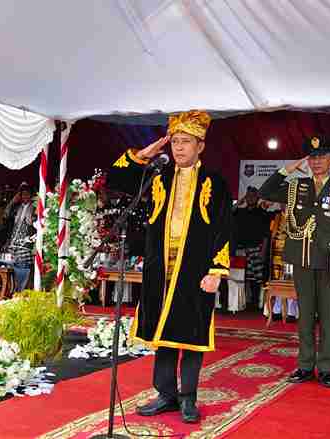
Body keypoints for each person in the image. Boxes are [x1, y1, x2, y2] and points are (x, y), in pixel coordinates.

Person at [106, 110, 232, 424]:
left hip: (195, 267)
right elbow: (116, 179)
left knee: (190, 333)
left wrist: (216, 271)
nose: (179, 147)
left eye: (185, 141)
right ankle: (166, 394)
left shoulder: (215, 182)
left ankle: (188, 397)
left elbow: (224, 227)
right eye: (175, 141)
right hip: (159, 266)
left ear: (200, 146)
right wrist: (143, 154)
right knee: (162, 332)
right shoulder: (158, 176)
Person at [259, 135, 330, 389]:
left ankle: (326, 368)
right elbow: (265, 191)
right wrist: (287, 169)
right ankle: (305, 365)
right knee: (305, 317)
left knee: (328, 316)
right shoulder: (296, 186)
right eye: (312, 157)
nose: (317, 161)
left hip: (329, 261)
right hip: (302, 258)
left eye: (322, 157)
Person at [232, 186, 273, 308]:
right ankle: (244, 302)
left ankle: (255, 303)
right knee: (243, 277)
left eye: (253, 196)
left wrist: (263, 250)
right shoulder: (240, 212)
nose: (250, 198)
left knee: (257, 278)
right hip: (242, 249)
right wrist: (239, 202)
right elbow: (229, 212)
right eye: (248, 196)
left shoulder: (262, 213)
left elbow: (266, 234)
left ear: (257, 198)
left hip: (256, 248)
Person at [267, 204, 298, 321]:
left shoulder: (296, 216)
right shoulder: (277, 216)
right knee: (278, 283)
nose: (284, 205)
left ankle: (291, 312)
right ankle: (276, 310)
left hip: (291, 254)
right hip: (277, 255)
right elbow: (271, 234)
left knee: (291, 283)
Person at [3, 184, 37, 292]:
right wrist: (13, 201)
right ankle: (13, 291)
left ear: (31, 195)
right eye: (23, 194)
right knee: (11, 267)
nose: (25, 196)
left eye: (27, 194)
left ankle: (22, 291)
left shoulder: (35, 207)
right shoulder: (16, 207)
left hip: (26, 243)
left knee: (24, 267)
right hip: (14, 242)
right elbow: (6, 214)